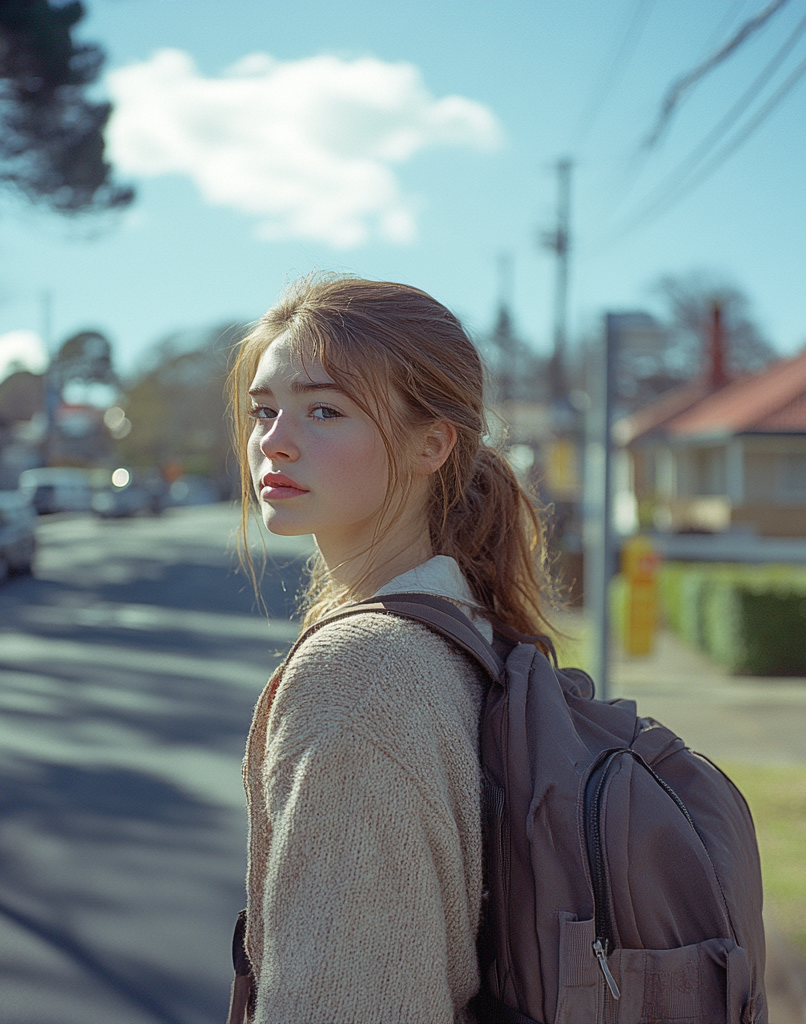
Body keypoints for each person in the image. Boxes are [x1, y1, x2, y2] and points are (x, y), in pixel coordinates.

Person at [228, 275, 558, 1024]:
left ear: (431, 443)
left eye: (324, 410)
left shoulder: (360, 673)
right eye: (264, 411)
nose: (274, 441)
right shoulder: (460, 624)